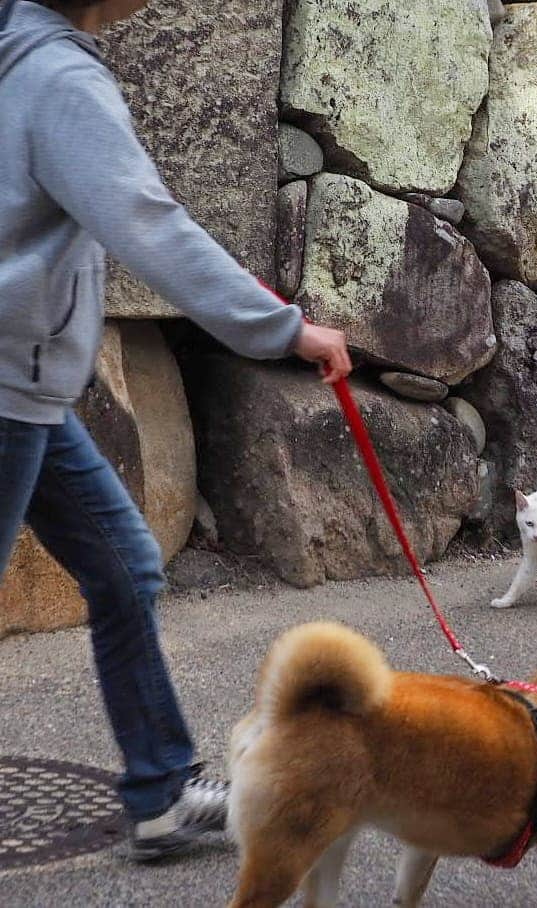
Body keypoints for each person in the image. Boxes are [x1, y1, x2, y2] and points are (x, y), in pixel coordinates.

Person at [0, 0, 352, 861]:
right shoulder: (60, 79)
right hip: (9, 387)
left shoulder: (20, 55)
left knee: (126, 567)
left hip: (29, 387)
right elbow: (148, 224)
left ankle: (159, 795)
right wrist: (281, 328)